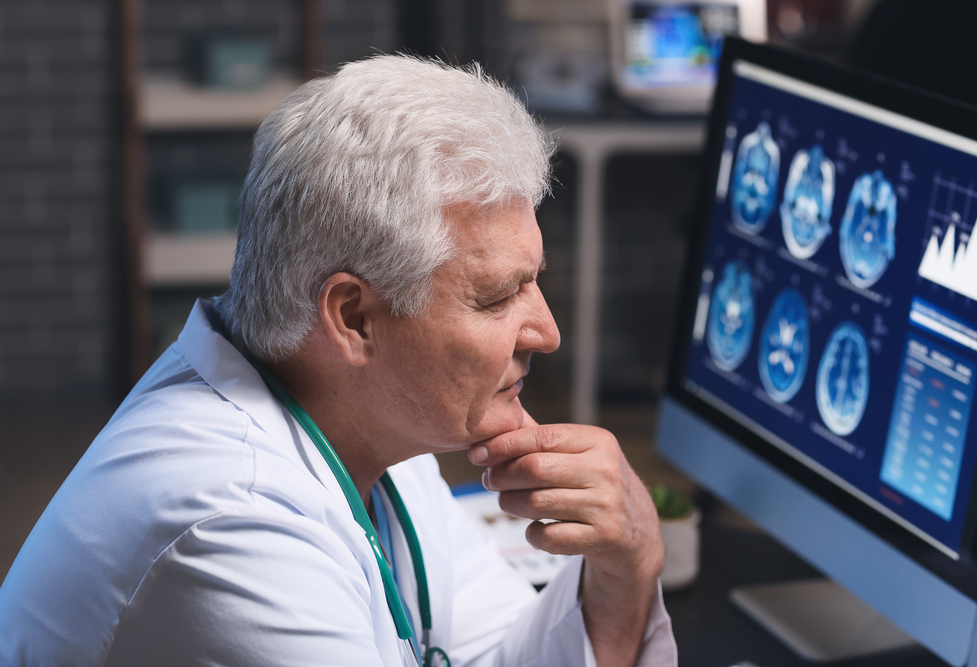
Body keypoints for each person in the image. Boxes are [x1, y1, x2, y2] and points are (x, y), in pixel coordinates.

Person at [0, 55, 676, 666]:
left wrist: (629, 560)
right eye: (498, 296)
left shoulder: (373, 425)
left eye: (534, 282)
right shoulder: (235, 525)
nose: (547, 332)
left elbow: (495, 654)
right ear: (353, 318)